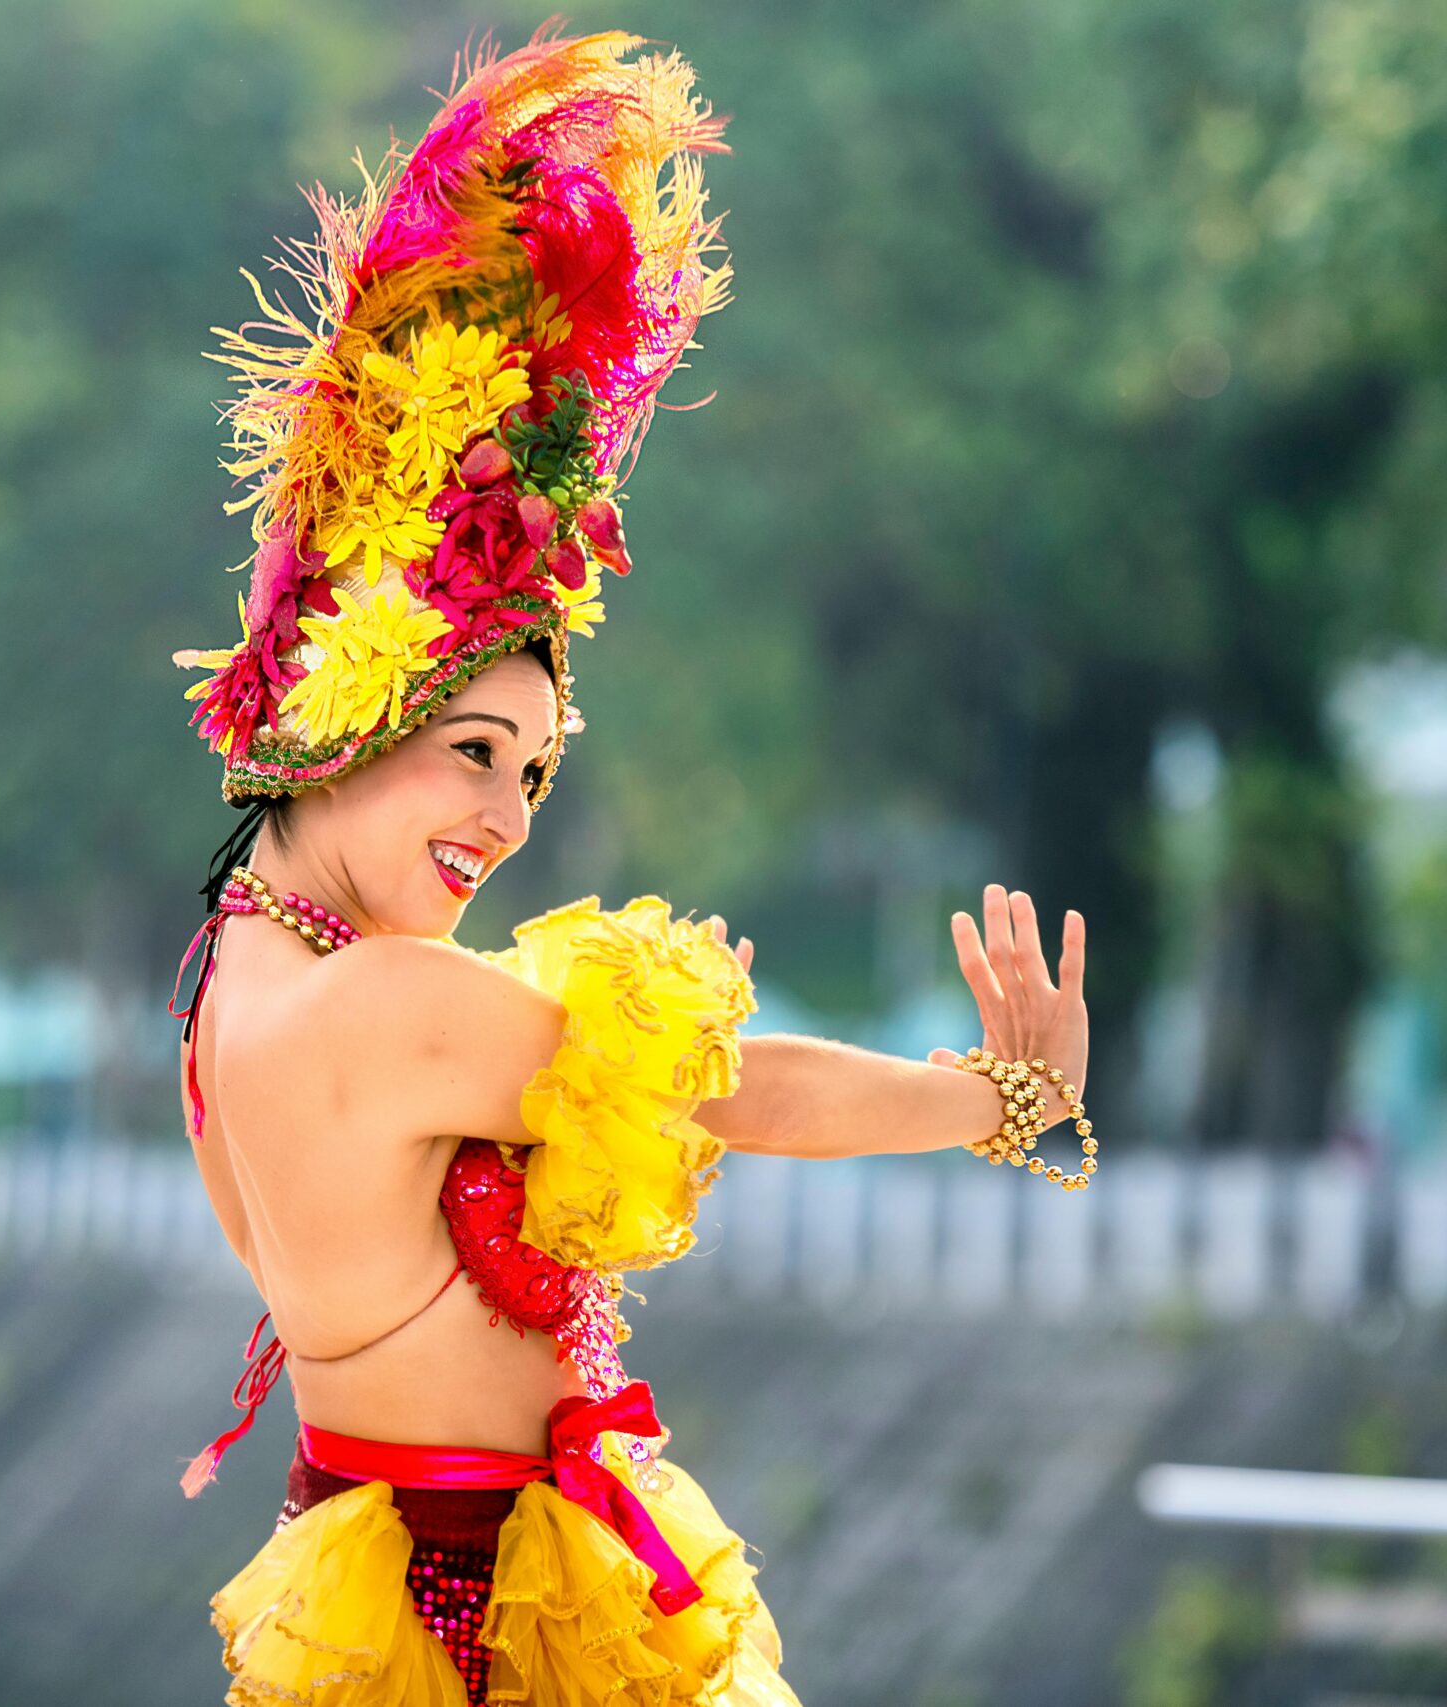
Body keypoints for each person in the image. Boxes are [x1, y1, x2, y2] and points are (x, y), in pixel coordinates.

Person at [164, 25, 1097, 1706]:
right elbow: (735, 1095)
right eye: (471, 754)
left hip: (404, 1580)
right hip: (496, 1633)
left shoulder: (234, 987)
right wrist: (1001, 1101)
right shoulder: (376, 1006)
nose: (509, 819)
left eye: (531, 770)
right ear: (346, 719)